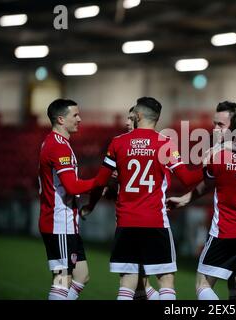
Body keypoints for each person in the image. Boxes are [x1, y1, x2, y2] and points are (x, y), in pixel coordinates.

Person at [82, 97, 203, 300]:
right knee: (165, 281)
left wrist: (90, 205)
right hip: (154, 222)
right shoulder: (165, 144)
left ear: (137, 116)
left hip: (126, 222)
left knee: (127, 285)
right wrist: (211, 165)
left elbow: (100, 182)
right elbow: (188, 179)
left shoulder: (118, 142)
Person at [167, 101, 236, 300]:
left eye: (220, 125)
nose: (214, 129)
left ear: (235, 125)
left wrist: (172, 155)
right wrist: (186, 199)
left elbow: (193, 178)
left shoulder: (224, 153)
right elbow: (210, 183)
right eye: (214, 124)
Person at [96, 106, 159, 300]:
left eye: (131, 118)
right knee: (141, 284)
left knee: (133, 280)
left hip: (133, 220)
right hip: (146, 220)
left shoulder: (122, 146)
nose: (126, 122)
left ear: (139, 120)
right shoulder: (150, 145)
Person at [38, 99, 95, 300]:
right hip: (58, 222)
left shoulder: (58, 143)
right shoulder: (58, 146)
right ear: (61, 119)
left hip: (67, 223)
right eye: (75, 115)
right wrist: (100, 181)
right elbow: (71, 187)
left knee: (82, 276)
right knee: (63, 279)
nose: (79, 119)